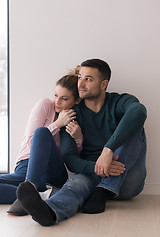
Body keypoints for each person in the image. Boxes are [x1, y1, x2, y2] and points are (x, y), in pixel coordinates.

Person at [16, 58, 147, 226]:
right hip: (91, 175)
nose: (81, 83)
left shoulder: (119, 102)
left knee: (136, 128)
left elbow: (139, 111)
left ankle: (104, 190)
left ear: (103, 84)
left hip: (126, 178)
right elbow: (69, 158)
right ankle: (50, 212)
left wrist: (108, 150)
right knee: (74, 186)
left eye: (88, 79)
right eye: (80, 77)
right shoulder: (72, 114)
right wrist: (97, 167)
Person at [0, 69, 82, 213]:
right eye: (56, 95)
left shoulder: (75, 116)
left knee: (42, 131)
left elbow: (73, 157)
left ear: (77, 100)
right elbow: (31, 141)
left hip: (53, 173)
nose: (57, 101)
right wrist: (57, 124)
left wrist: (78, 137)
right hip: (26, 167)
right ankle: (40, 196)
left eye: (64, 99)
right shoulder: (45, 105)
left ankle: (30, 193)